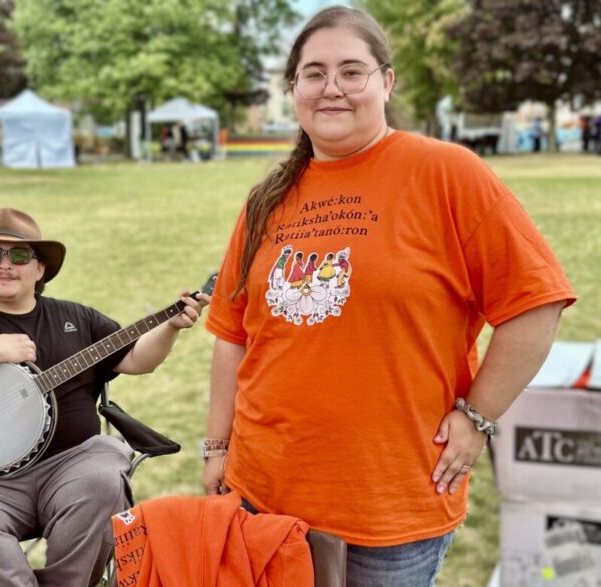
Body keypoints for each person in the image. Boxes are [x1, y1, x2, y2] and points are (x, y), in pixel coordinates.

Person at [202, 6, 576, 587]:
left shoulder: (446, 173)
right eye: (314, 73)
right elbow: (232, 336)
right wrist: (216, 447)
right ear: (294, 88)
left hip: (390, 502)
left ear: (385, 81)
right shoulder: (265, 201)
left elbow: (536, 304)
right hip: (262, 491)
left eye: (352, 71)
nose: (332, 89)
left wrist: (477, 418)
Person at [0, 207, 209, 587]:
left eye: (20, 255)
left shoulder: (76, 318)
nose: (4, 265)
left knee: (104, 478)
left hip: (72, 465)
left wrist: (170, 326)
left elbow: (137, 358)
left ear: (40, 269)